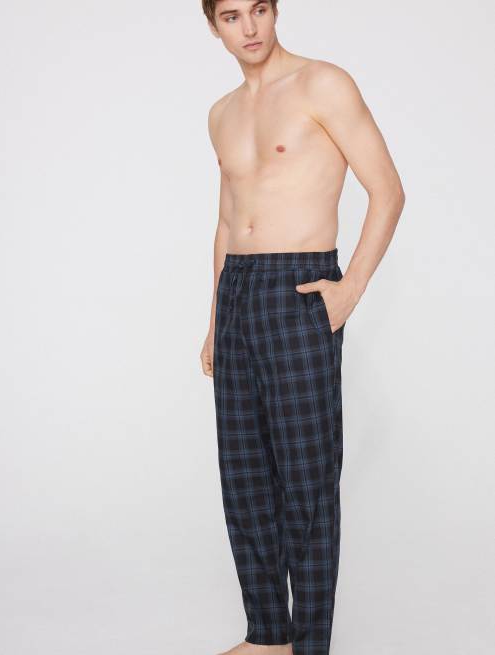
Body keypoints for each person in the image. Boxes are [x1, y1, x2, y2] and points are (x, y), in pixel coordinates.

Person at [199, 2, 405, 654]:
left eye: (259, 9)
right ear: (213, 25)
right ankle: (268, 637)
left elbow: (388, 190)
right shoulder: (222, 113)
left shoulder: (323, 84)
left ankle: (310, 645)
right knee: (244, 475)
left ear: (274, 10)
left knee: (306, 480)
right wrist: (214, 320)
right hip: (237, 292)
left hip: (298, 288)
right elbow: (227, 221)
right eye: (232, 16)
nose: (249, 28)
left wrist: (350, 289)